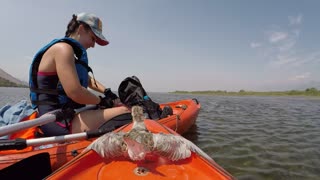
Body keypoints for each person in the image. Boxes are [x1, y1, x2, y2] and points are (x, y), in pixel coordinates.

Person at [29, 12, 130, 137]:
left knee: (117, 108)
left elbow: (88, 80)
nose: (93, 45)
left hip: (68, 113)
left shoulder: (72, 54)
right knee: (126, 112)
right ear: (81, 29)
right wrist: (102, 101)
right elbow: (75, 92)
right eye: (93, 38)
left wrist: (107, 92)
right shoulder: (63, 49)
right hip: (56, 121)